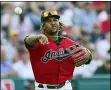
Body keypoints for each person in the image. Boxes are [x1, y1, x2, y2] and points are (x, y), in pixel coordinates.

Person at [24, 9, 92, 90]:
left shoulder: (69, 43)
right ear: (43, 25)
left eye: (55, 20)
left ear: (59, 23)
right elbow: (27, 40)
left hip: (66, 87)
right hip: (43, 88)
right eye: (48, 21)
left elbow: (88, 59)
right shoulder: (38, 42)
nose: (53, 23)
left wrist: (88, 54)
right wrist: (37, 37)